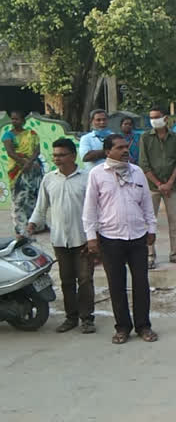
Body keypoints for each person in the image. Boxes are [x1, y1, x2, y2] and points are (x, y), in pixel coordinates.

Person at [82, 134, 158, 345]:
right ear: (108, 152)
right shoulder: (97, 174)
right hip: (110, 238)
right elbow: (89, 209)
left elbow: (146, 204)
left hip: (137, 237)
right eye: (120, 148)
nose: (125, 150)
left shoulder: (137, 172)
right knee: (116, 285)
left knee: (141, 284)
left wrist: (151, 229)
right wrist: (91, 238)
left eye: (126, 147)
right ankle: (123, 327)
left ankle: (144, 326)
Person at [27, 138, 94, 334]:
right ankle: (70, 317)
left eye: (61, 155)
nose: (57, 159)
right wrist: (32, 224)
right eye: (55, 155)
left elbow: (96, 208)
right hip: (59, 239)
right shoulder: (49, 179)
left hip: (82, 238)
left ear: (73, 156)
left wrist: (94, 237)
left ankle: (87, 319)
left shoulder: (87, 178)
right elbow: (41, 207)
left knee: (84, 280)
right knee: (66, 281)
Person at [139, 107, 176, 269]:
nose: (153, 120)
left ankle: (175, 253)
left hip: (172, 185)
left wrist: (170, 182)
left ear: (165, 118)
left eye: (156, 117)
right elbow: (143, 164)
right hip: (151, 186)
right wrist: (159, 184)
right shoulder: (145, 137)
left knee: (175, 221)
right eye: (151, 117)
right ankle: (150, 255)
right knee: (150, 221)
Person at [2, 110, 43, 238]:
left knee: (33, 196)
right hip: (16, 170)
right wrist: (23, 163)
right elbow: (10, 152)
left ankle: (35, 225)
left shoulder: (32, 134)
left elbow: (37, 150)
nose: (14, 121)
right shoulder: (7, 135)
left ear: (23, 120)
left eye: (17, 119)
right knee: (18, 198)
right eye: (13, 119)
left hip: (33, 168)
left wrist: (29, 162)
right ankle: (20, 227)